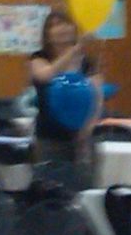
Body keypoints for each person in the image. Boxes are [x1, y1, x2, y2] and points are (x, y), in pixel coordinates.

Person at [29, 9, 99, 172]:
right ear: (47, 34)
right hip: (48, 136)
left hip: (80, 138)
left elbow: (96, 97)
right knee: (48, 186)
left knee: (79, 187)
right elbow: (45, 75)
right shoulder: (39, 58)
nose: (61, 29)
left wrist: (88, 128)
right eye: (54, 25)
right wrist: (73, 51)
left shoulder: (87, 63)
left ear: (73, 28)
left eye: (65, 23)